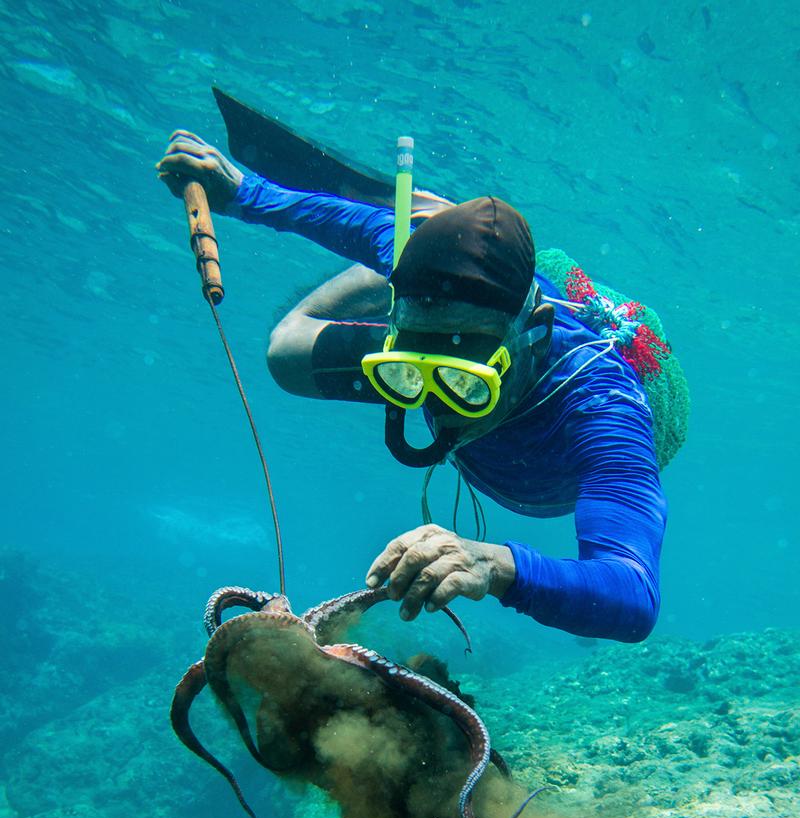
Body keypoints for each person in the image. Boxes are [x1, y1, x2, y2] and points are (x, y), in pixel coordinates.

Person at [157, 130, 675, 643]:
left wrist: (494, 565)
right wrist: (246, 194)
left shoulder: (603, 407)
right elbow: (359, 226)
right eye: (408, 372)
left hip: (578, 405)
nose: (434, 405)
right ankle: (424, 241)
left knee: (359, 293)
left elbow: (633, 593)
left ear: (531, 339)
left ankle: (432, 224)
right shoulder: (413, 269)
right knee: (286, 353)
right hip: (414, 276)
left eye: (462, 383)